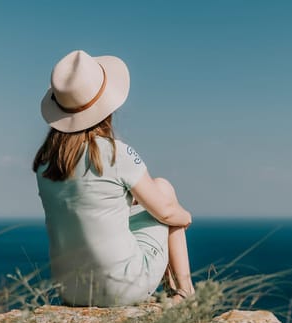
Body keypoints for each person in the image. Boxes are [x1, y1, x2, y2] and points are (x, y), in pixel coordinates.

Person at [32, 50, 194, 307]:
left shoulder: (44, 164)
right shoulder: (115, 152)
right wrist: (185, 217)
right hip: (123, 289)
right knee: (163, 188)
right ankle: (184, 292)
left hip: (71, 291)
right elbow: (166, 214)